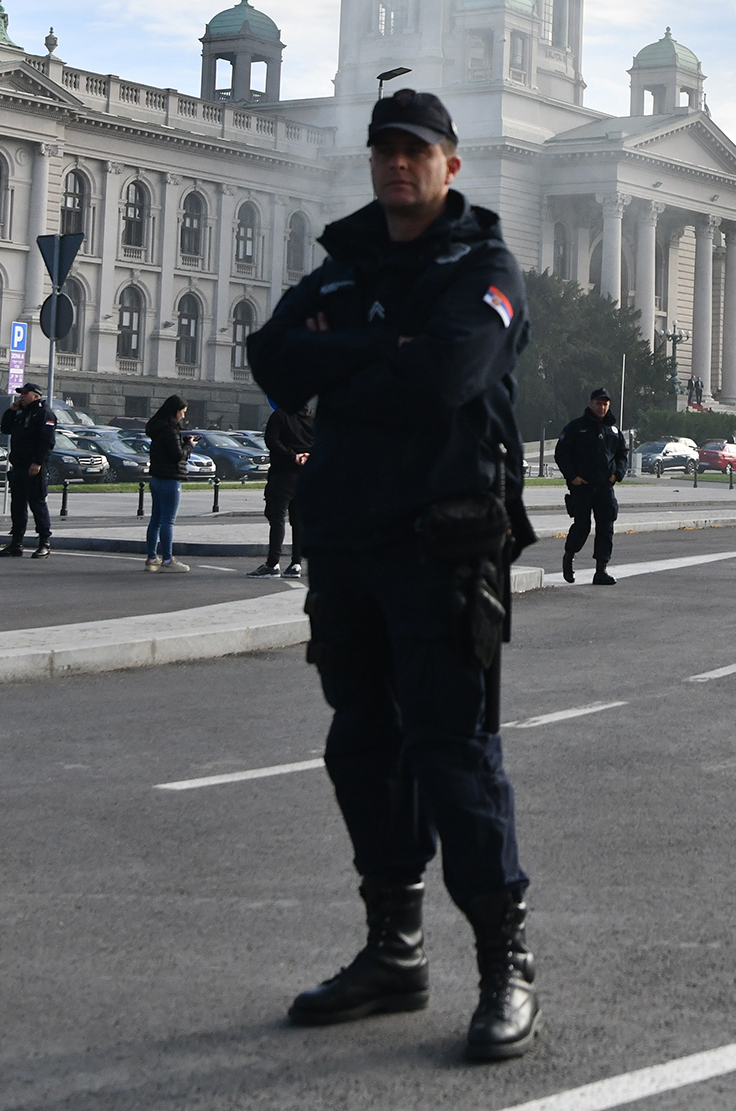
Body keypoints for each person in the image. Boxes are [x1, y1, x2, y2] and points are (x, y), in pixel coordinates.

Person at [246, 86, 542, 1062]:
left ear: (451, 163)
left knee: (454, 755)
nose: (397, 165)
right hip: (347, 543)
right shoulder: (343, 263)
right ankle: (394, 949)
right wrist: (386, 349)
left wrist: (347, 362)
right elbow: (274, 360)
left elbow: (448, 379)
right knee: (360, 748)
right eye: (384, 150)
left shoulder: (483, 264)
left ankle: (505, 967)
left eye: (416, 151)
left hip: (446, 544)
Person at [554, 387, 628, 585]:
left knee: (606, 527)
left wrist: (617, 475)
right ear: (590, 404)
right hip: (582, 487)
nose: (601, 407)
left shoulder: (613, 430)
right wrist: (573, 477)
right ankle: (569, 555)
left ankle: (601, 570)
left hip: (605, 487)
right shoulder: (576, 427)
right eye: (598, 403)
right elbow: (562, 454)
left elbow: (622, 455)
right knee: (582, 526)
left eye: (605, 404)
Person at [0, 383, 57, 558]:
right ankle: (16, 543)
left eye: (25, 393)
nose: (21, 396)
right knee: (17, 505)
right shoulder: (23, 414)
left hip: (34, 467)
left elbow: (47, 441)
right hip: (19, 466)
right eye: (20, 393)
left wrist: (37, 462)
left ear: (36, 395)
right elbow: (5, 429)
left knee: (37, 504)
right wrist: (12, 410)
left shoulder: (44, 414)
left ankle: (44, 542)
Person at [256, 401, 314, 578]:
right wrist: (306, 455)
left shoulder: (280, 415)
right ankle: (296, 563)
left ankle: (273, 563)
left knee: (277, 518)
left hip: (282, 474)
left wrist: (292, 456)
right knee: (298, 521)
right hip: (304, 476)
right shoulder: (311, 417)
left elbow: (271, 441)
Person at [143, 396, 193, 574]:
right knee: (167, 521)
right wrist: (188, 446)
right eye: (182, 412)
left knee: (155, 520)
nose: (183, 416)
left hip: (156, 478)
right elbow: (177, 456)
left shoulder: (157, 428)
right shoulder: (171, 430)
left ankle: (151, 558)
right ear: (176, 410)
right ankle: (167, 559)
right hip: (170, 479)